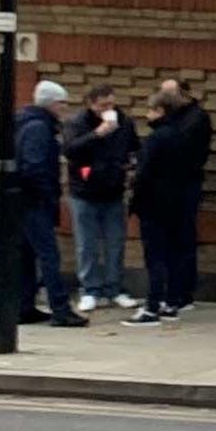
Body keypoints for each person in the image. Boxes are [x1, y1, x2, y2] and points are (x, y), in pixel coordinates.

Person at [127, 77, 211, 324]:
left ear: (160, 111)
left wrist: (135, 199)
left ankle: (152, 306)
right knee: (174, 252)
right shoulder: (182, 135)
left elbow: (144, 174)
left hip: (154, 204)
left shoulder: (156, 139)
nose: (147, 114)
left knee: (155, 256)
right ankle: (172, 302)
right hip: (178, 201)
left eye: (150, 109)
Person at [63, 82, 137, 316]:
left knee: (115, 243)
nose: (109, 108)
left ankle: (114, 288)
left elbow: (134, 147)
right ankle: (90, 290)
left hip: (113, 190)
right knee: (87, 244)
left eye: (112, 104)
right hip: (84, 191)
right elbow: (70, 149)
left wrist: (130, 165)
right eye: (104, 104)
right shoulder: (77, 124)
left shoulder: (124, 123)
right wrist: (97, 134)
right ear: (91, 104)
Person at [12, 79, 70, 326]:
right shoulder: (39, 128)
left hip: (24, 202)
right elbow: (33, 167)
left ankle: (24, 307)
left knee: (26, 255)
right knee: (49, 256)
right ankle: (61, 309)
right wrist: (47, 193)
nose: (64, 108)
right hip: (34, 202)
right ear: (51, 103)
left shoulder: (26, 123)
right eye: (62, 103)